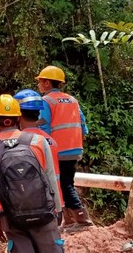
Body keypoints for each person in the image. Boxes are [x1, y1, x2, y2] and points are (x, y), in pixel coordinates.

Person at [0, 94, 63, 253]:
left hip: (12, 217)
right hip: (44, 213)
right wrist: (57, 209)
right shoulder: (38, 141)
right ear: (18, 118)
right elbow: (51, 178)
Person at [36, 65, 93, 229]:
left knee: (64, 185)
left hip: (58, 151)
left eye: (40, 81)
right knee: (65, 183)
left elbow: (44, 128)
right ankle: (69, 220)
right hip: (75, 149)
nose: (39, 84)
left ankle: (82, 220)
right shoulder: (73, 100)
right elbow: (84, 126)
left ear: (47, 83)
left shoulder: (46, 101)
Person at [14, 89, 64, 212]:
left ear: (18, 115)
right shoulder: (50, 140)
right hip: (52, 203)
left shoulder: (17, 142)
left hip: (31, 206)